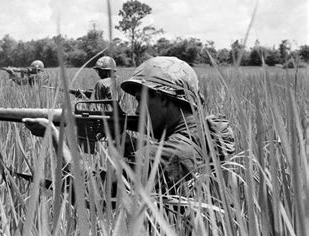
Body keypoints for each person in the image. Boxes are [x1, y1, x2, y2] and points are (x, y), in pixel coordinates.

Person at [23, 56, 235, 193]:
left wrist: (54, 136)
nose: (136, 111)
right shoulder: (208, 133)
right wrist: (120, 138)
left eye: (140, 100)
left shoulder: (169, 154)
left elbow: (89, 191)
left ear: (162, 98)